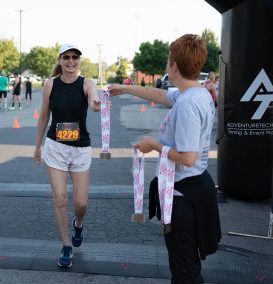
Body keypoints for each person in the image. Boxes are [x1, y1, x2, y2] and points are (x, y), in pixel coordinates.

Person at [108, 34, 221, 283]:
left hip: (184, 196)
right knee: (185, 266)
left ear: (173, 65)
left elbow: (188, 157)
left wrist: (154, 145)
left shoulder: (189, 103)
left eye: (169, 60)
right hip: (188, 189)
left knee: (184, 270)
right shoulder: (195, 93)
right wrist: (125, 88)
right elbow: (158, 95)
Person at [33, 44, 101, 268]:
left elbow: (93, 102)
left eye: (75, 57)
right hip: (55, 147)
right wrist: (37, 146)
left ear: (79, 61)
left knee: (81, 203)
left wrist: (97, 104)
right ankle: (65, 245)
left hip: (80, 148)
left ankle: (78, 223)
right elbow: (43, 117)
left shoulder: (87, 84)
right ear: (60, 60)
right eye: (67, 57)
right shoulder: (50, 85)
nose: (71, 61)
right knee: (60, 198)